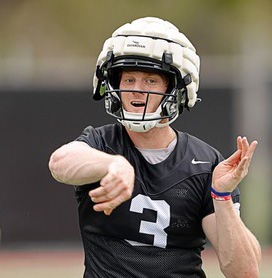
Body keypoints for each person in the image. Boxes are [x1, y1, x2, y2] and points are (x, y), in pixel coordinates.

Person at [48, 17, 261, 278]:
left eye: (150, 81)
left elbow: (245, 272)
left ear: (176, 90)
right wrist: (113, 164)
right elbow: (59, 163)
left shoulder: (206, 163)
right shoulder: (101, 144)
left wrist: (222, 196)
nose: (137, 90)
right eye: (128, 79)